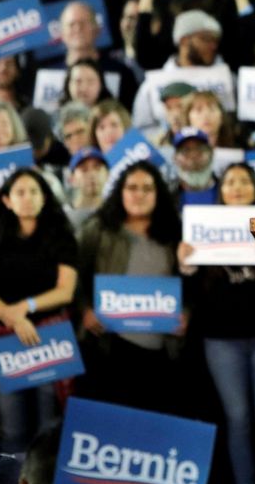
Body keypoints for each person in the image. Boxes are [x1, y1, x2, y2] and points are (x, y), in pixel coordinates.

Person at [0, 169, 78, 452]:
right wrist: (15, 318)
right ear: (7, 200)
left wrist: (25, 307)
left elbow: (65, 290)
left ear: (44, 197)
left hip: (51, 337)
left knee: (50, 424)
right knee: (12, 427)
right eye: (20, 192)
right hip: (5, 340)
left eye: (34, 191)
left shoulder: (61, 235)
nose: (28, 198)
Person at [178, 162, 255, 484]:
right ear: (221, 191)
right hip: (221, 341)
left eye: (244, 181)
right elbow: (192, 296)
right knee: (239, 418)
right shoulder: (202, 231)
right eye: (230, 182)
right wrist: (186, 267)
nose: (238, 187)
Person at [76, 161, 182, 413]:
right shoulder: (98, 229)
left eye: (147, 188)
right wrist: (84, 310)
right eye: (132, 187)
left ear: (159, 193)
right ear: (120, 191)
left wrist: (187, 312)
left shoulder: (174, 232)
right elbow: (75, 275)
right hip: (109, 345)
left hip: (160, 347)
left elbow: (190, 284)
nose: (139, 194)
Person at [63, 147, 109, 232]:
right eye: (84, 170)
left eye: (97, 168)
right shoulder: (63, 217)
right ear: (72, 179)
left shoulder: (117, 212)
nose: (92, 174)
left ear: (107, 174)